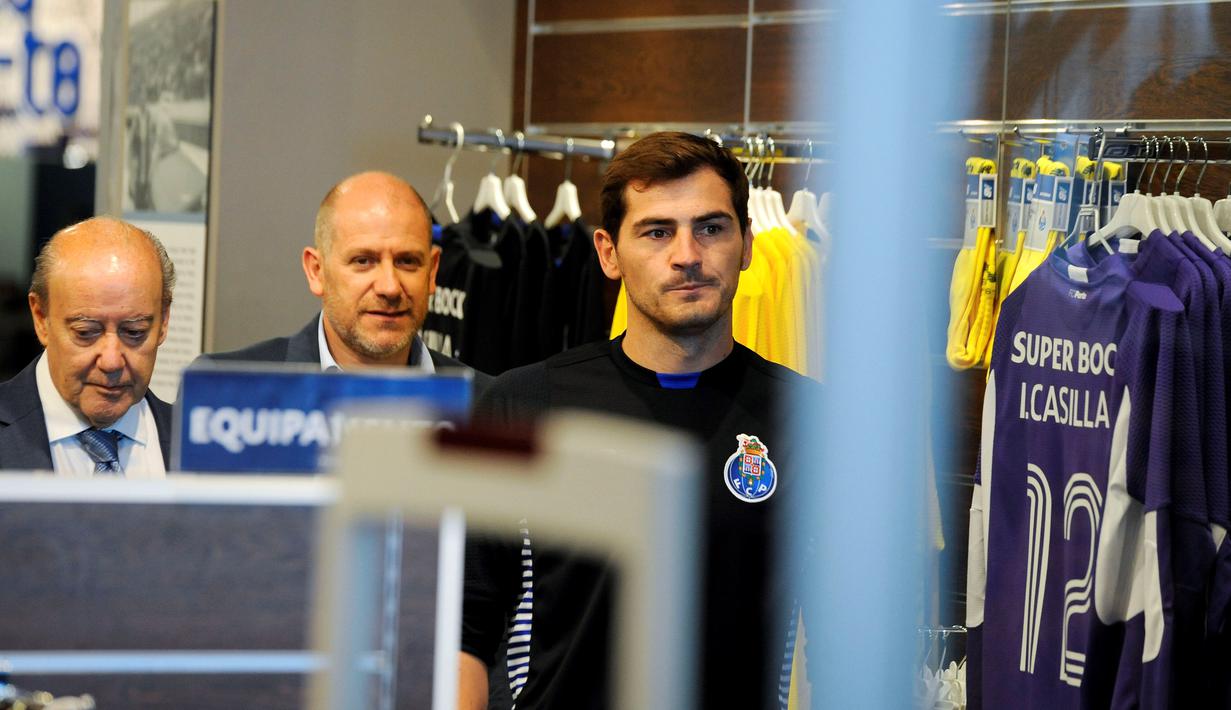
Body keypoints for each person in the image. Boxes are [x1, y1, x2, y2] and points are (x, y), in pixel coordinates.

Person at [461, 133, 819, 709]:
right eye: (657, 232)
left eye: (711, 228)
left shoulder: (810, 422)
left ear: (747, 244)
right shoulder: (520, 405)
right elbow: (464, 629)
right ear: (608, 253)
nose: (687, 254)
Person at [200, 171, 490, 395]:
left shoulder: (491, 405)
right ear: (316, 271)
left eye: (407, 261)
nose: (389, 287)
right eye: (363, 261)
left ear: (432, 272)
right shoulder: (226, 390)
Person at [0, 217, 176, 474]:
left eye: (134, 332)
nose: (112, 362)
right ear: (40, 318)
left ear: (164, 321)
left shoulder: (206, 451)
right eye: (86, 333)